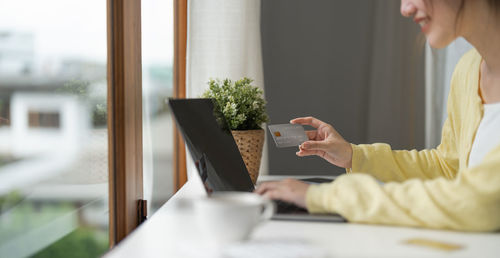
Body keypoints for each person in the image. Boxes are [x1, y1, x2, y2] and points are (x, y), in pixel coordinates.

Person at [255, 0, 500, 231]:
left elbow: (479, 203)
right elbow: (448, 167)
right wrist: (354, 155)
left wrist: (324, 197)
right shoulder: (469, 70)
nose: (405, 8)